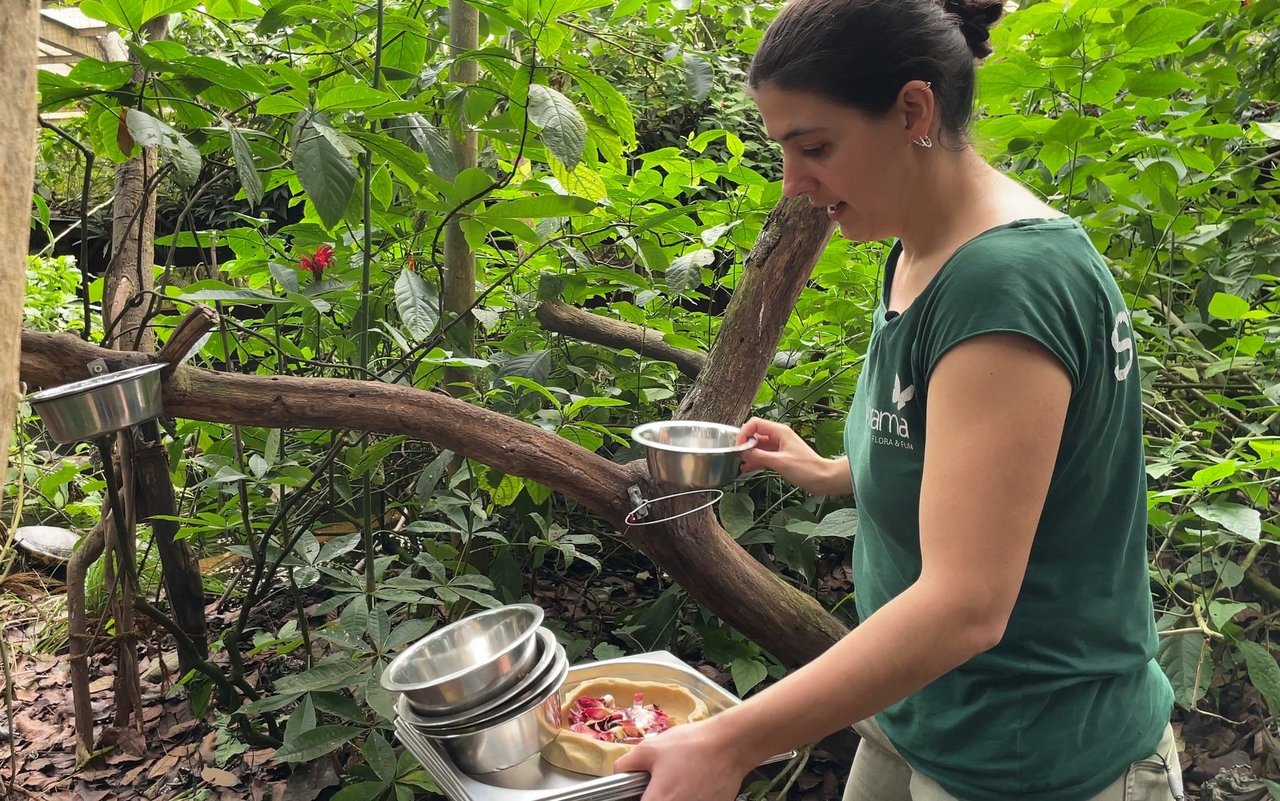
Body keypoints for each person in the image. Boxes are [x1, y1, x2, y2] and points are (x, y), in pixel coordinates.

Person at [612, 0, 1180, 799]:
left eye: (814, 147)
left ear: (913, 109)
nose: (794, 183)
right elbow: (972, 460)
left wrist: (730, 743)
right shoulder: (923, 247)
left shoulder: (1004, 283)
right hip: (917, 711)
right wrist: (838, 470)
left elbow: (966, 606)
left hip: (1032, 754)